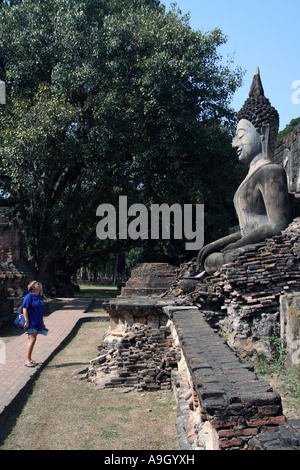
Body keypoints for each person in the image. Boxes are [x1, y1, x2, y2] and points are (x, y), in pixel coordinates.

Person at [197, 68, 290, 275]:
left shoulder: (271, 172)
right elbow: (246, 227)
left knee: (226, 258)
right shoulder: (251, 177)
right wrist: (216, 244)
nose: (234, 144)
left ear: (263, 132)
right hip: (246, 245)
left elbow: (277, 224)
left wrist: (235, 247)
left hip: (261, 248)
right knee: (212, 257)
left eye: (240, 135)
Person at [23, 280, 46, 367]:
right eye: (37, 284)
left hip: (38, 321)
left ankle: (30, 358)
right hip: (31, 321)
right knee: (31, 339)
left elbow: (40, 310)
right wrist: (26, 321)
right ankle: (27, 360)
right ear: (33, 287)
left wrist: (42, 321)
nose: (39, 285)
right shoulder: (29, 296)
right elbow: (24, 308)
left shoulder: (39, 297)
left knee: (33, 339)